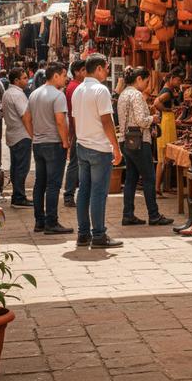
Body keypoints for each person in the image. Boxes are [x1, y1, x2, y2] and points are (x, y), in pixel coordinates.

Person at [72, 53, 123, 249]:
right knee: (98, 193)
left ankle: (83, 234)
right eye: (106, 68)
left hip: (83, 145)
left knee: (84, 190)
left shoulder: (78, 90)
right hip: (98, 147)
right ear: (99, 68)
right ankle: (99, 234)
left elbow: (75, 119)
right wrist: (116, 148)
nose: (107, 72)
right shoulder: (101, 90)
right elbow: (107, 121)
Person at [117, 67, 174, 226]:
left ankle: (128, 215)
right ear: (139, 79)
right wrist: (153, 119)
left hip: (125, 141)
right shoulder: (136, 95)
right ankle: (154, 215)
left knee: (131, 178)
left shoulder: (123, 94)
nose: (148, 85)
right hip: (139, 141)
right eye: (147, 81)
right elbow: (141, 120)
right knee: (149, 178)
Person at [28, 62, 72, 234]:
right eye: (63, 75)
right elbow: (60, 121)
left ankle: (39, 221)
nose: (65, 78)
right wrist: (66, 142)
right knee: (53, 185)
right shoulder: (58, 95)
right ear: (55, 76)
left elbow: (26, 118)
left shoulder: (34, 94)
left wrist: (34, 135)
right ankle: (51, 222)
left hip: (39, 144)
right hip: (54, 144)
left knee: (40, 183)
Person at [2, 67, 34, 209]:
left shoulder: (8, 93)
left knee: (16, 167)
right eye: (24, 78)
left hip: (13, 134)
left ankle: (17, 196)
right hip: (21, 135)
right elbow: (25, 117)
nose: (27, 81)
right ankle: (19, 197)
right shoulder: (17, 95)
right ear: (16, 80)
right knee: (21, 167)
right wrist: (32, 134)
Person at [153, 69, 183, 185]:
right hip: (166, 122)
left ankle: (165, 186)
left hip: (166, 121)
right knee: (162, 158)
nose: (179, 82)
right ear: (171, 79)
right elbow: (156, 103)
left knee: (166, 158)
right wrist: (167, 110)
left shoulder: (169, 90)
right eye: (178, 80)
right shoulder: (167, 92)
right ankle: (157, 187)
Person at [63, 60, 86, 208]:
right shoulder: (75, 87)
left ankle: (71, 193)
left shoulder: (75, 86)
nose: (85, 73)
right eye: (83, 70)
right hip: (78, 129)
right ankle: (69, 195)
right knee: (75, 163)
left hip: (78, 129)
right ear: (77, 72)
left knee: (77, 163)